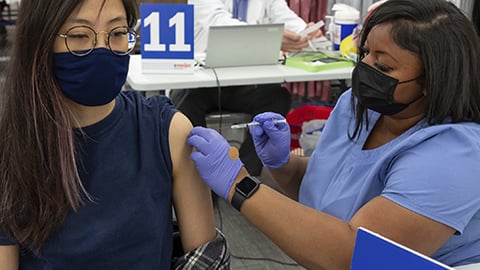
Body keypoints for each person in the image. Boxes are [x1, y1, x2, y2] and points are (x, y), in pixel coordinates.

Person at [186, 0, 480, 268]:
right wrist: (284, 165)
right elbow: (330, 187)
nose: (363, 68)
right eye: (365, 53)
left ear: (433, 79)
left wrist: (239, 184)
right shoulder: (357, 107)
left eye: (383, 65)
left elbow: (353, 255)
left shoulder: (455, 156)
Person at [0, 0, 229, 269]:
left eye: (118, 33)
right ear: (41, 42)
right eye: (79, 35)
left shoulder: (168, 132)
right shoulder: (12, 146)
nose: (102, 49)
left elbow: (204, 260)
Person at [169, 0, 322, 176]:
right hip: (201, 80)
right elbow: (220, 23)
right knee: (184, 102)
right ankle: (197, 177)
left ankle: (243, 176)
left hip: (245, 82)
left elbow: (287, 19)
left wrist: (306, 33)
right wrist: (272, 37)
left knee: (277, 97)